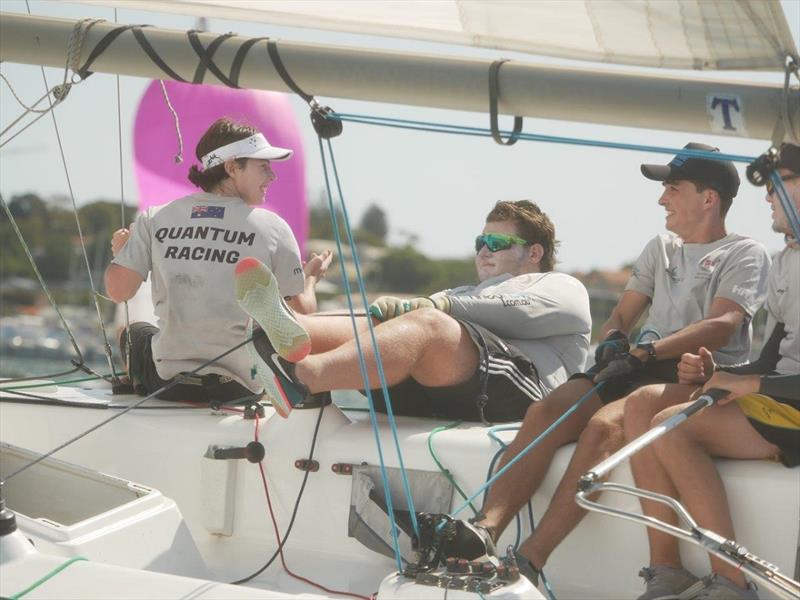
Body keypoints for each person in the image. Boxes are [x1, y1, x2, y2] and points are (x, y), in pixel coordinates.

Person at [447, 143, 772, 584]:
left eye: (672, 189)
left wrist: (649, 352)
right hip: (638, 364)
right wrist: (616, 337)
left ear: (708, 198)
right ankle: (485, 530)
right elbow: (622, 315)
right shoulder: (660, 247)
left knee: (604, 425)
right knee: (546, 411)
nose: (662, 199)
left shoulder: (746, 253)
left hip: (693, 377)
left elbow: (723, 323)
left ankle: (529, 559)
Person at [623, 143, 800, 600]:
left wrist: (754, 384)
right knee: (645, 404)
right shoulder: (787, 260)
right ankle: (666, 571)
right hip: (784, 399)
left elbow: (767, 373)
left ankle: (732, 585)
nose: (767, 197)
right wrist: (719, 371)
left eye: (780, 183)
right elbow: (773, 357)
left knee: (669, 428)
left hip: (792, 406)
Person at [234, 199, 592, 422]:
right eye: (481, 242)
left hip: (527, 401)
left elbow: (518, 313)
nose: (484, 250)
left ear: (535, 253)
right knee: (385, 324)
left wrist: (436, 305)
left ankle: (303, 377)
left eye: (497, 243)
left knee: (429, 325)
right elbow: (405, 323)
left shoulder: (561, 286)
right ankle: (290, 326)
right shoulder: (466, 292)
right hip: (452, 392)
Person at [105, 117, 330, 403]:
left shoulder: (155, 218)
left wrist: (122, 253)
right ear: (232, 167)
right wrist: (310, 279)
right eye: (264, 166)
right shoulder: (273, 228)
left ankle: (135, 379)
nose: (272, 176)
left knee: (132, 333)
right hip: (240, 388)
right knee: (278, 323)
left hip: (170, 382)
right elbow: (302, 313)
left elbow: (118, 292)